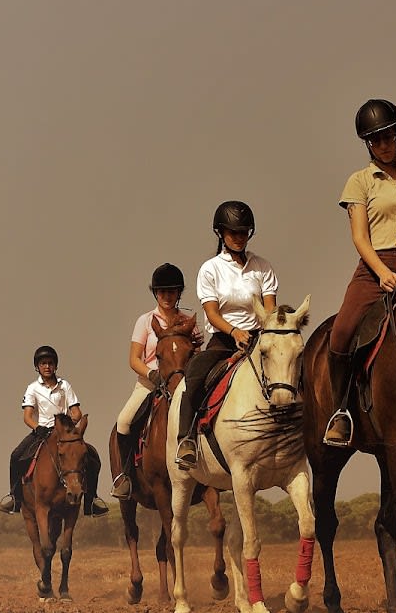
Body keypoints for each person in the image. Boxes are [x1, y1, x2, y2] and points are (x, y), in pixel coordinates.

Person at [321, 98, 396, 447]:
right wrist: (381, 273)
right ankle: (341, 412)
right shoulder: (359, 182)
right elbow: (360, 237)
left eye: (388, 136)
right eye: (375, 140)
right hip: (376, 267)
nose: (384, 144)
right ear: (368, 144)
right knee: (342, 332)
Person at [174, 201, 278, 468]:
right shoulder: (210, 269)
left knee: (291, 369)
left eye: (244, 232)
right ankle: (186, 439)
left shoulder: (262, 266)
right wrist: (234, 332)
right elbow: (211, 314)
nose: (239, 238)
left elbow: (270, 308)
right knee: (194, 374)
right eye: (233, 232)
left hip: (259, 337)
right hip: (224, 339)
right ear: (220, 233)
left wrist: (266, 331)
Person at [110, 263, 202, 499]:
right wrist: (152, 374)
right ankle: (125, 476)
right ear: (155, 293)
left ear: (179, 293)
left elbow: (195, 355)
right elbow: (134, 359)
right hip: (150, 383)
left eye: (172, 291)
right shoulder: (145, 321)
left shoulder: (187, 322)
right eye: (162, 292)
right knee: (123, 422)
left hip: (180, 383)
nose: (167, 296)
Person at [0, 345, 110, 516]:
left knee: (93, 457)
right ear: (37, 366)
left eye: (50, 363)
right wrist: (37, 427)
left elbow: (77, 412)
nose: (47, 366)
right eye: (43, 363)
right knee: (15, 456)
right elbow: (27, 416)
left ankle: (91, 501)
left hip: (65, 434)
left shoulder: (65, 385)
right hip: (42, 431)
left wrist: (69, 425)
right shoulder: (32, 388)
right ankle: (15, 498)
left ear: (55, 365)